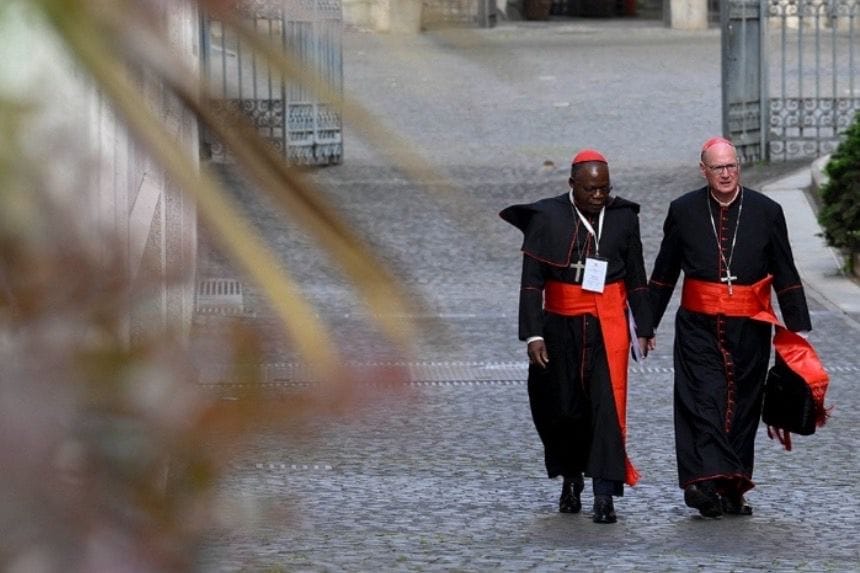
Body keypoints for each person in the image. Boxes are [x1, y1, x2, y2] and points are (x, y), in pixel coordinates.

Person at [648, 136, 817, 518]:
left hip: (750, 327)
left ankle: (733, 488)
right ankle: (702, 484)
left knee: (743, 406)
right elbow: (664, 273)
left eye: (731, 166)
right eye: (718, 167)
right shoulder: (684, 210)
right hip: (698, 327)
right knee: (703, 400)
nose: (726, 174)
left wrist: (798, 330)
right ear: (703, 170)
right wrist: (646, 324)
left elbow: (785, 271)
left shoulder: (766, 211)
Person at [500, 149, 655, 524]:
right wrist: (533, 335)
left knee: (606, 407)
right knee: (563, 409)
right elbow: (531, 283)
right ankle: (571, 478)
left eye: (604, 189)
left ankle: (604, 494)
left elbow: (636, 276)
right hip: (559, 326)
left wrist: (645, 327)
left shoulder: (623, 217)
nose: (599, 196)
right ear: (573, 185)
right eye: (591, 189)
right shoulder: (547, 217)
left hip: (607, 325)